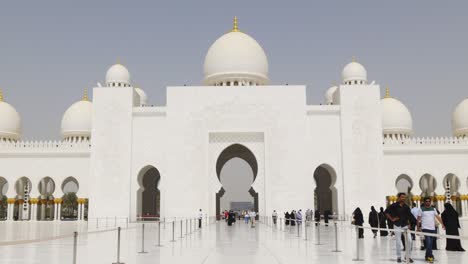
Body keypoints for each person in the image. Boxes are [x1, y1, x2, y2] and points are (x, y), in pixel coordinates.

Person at [385, 192, 415, 263]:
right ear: (398, 198)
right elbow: (386, 212)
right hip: (397, 225)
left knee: (410, 241)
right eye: (402, 197)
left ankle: (408, 256)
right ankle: (399, 257)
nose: (403, 198)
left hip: (405, 225)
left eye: (404, 197)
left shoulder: (406, 207)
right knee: (398, 241)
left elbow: (409, 215)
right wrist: (392, 219)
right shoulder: (394, 205)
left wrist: (409, 223)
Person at [417, 197, 445, 263]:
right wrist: (418, 228)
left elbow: (438, 217)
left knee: (430, 243)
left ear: (430, 202)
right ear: (424, 202)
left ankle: (427, 255)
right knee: (428, 242)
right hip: (425, 228)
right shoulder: (421, 209)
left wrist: (443, 224)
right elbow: (418, 219)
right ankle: (430, 256)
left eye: (429, 201)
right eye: (426, 201)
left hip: (432, 228)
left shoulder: (433, 209)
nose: (428, 202)